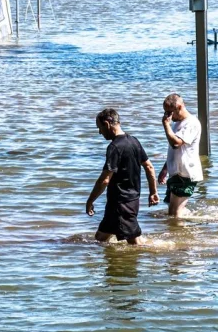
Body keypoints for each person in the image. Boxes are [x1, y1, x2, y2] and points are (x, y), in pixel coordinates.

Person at [87, 108, 159, 245]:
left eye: (100, 128)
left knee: (135, 242)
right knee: (100, 238)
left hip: (121, 203)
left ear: (107, 124)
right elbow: (149, 167)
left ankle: (159, 253)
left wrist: (90, 200)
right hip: (130, 200)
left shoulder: (114, 147)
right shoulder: (134, 141)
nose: (100, 132)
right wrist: (153, 192)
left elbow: (105, 179)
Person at [157, 93, 203, 217]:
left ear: (179, 107)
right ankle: (192, 218)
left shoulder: (191, 123)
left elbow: (176, 144)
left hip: (186, 174)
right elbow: (173, 151)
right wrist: (165, 169)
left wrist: (165, 125)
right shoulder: (176, 123)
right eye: (165, 112)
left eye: (169, 112)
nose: (166, 115)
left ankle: (188, 227)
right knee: (172, 212)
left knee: (175, 214)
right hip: (175, 173)